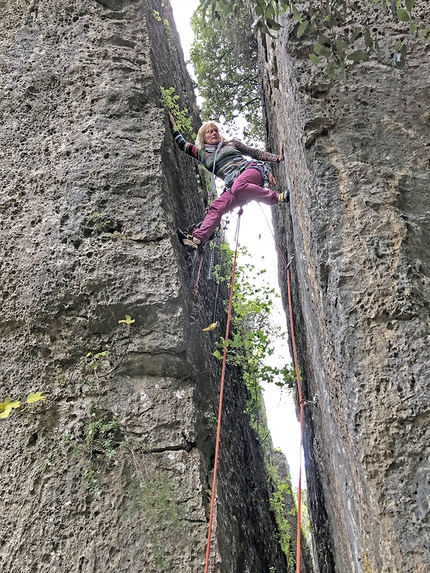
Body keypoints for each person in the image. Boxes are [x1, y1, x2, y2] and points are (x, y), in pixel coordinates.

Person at [169, 113, 287, 252]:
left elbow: (253, 152)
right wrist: (173, 126)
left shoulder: (231, 143)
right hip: (235, 185)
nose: (214, 133)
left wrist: (277, 158)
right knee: (215, 207)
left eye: (216, 130)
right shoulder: (201, 153)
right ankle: (197, 240)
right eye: (210, 131)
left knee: (238, 187)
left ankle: (276, 197)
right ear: (203, 137)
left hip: (251, 170)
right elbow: (182, 144)